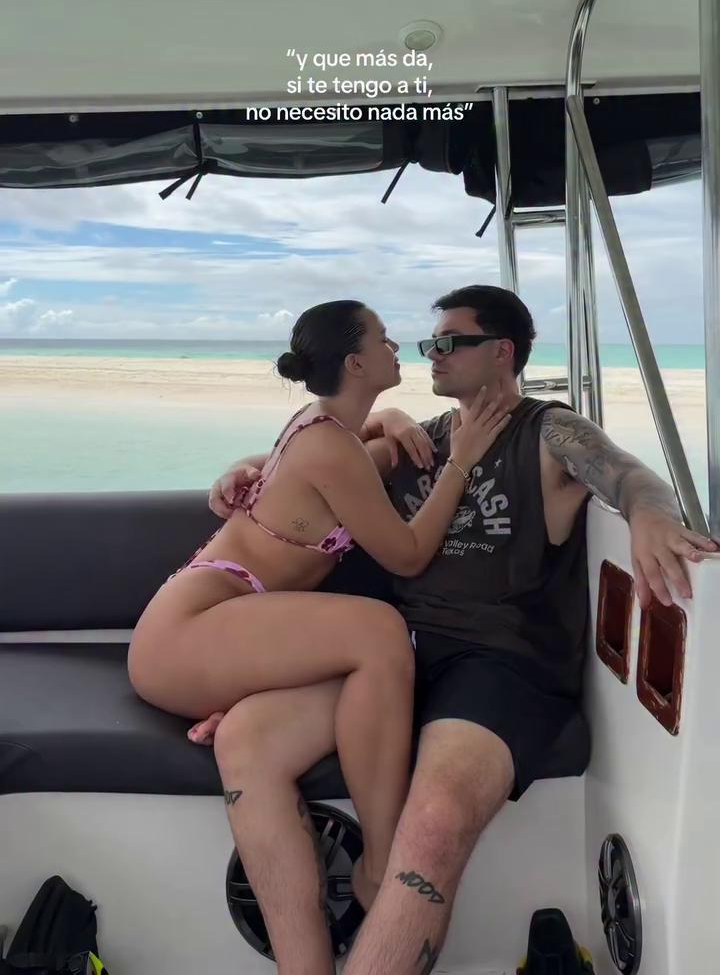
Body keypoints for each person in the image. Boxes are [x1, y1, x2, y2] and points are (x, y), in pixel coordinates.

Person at [209, 284, 719, 975]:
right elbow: (316, 466)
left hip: (499, 664)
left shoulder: (548, 432)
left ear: (501, 352)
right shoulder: (424, 442)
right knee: (245, 736)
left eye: (449, 342)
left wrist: (653, 513)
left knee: (435, 819)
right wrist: (245, 469)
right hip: (399, 656)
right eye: (430, 343)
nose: (433, 354)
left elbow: (625, 473)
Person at [127, 298, 511, 975]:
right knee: (379, 631)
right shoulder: (329, 446)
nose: (399, 348)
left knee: (262, 733)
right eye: (385, 340)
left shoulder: (330, 429)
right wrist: (462, 461)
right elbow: (407, 555)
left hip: (232, 632)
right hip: (187, 631)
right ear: (356, 363)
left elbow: (374, 445)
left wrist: (395, 418)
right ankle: (381, 863)